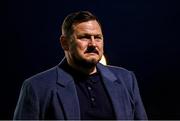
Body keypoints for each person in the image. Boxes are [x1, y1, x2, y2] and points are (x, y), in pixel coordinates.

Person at [13, 11, 148, 120]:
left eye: (98, 37)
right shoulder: (36, 87)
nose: (93, 44)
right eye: (84, 37)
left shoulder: (126, 79)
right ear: (64, 43)